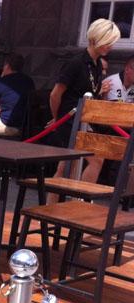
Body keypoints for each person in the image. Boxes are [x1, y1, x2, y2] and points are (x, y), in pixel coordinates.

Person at [47, 18, 120, 193]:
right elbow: (55, 94)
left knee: (69, 166)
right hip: (70, 120)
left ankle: (69, 202)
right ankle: (77, 199)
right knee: (80, 163)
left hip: (81, 121)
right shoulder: (76, 63)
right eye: (107, 41)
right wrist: (58, 118)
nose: (110, 46)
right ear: (96, 38)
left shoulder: (95, 64)